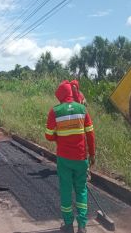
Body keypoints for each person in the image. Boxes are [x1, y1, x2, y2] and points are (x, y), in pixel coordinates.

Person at [45, 80, 96, 233]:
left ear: (60, 94)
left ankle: (68, 225)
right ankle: (82, 225)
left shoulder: (55, 111)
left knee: (66, 190)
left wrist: (58, 138)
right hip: (81, 157)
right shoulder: (82, 109)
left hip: (64, 159)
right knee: (81, 190)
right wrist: (92, 154)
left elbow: (48, 136)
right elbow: (90, 134)